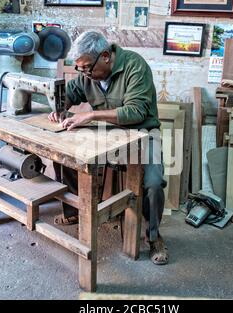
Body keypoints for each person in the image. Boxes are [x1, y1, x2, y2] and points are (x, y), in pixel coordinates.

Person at [48, 31, 169, 265]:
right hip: (106, 134)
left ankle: (153, 236)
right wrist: (58, 106)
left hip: (142, 132)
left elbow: (136, 111)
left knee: (153, 183)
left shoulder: (135, 66)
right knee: (64, 154)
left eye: (86, 69)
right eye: (80, 69)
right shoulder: (88, 74)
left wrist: (90, 114)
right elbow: (70, 93)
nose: (84, 74)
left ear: (105, 56)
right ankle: (75, 212)